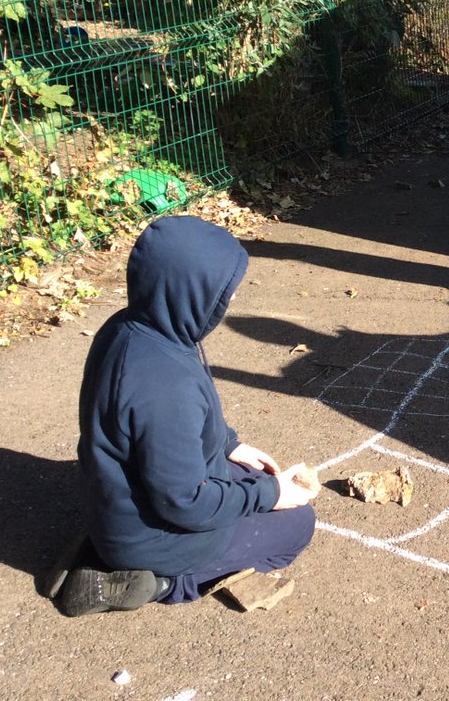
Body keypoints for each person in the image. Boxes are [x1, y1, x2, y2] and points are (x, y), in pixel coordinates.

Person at [51, 215, 319, 615]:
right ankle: (158, 582)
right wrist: (272, 495)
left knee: (251, 477)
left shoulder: (128, 327)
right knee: (297, 524)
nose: (230, 300)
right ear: (189, 290)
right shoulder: (165, 385)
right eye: (223, 291)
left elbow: (168, 433)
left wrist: (230, 445)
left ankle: (110, 550)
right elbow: (186, 501)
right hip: (156, 534)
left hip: (118, 506)